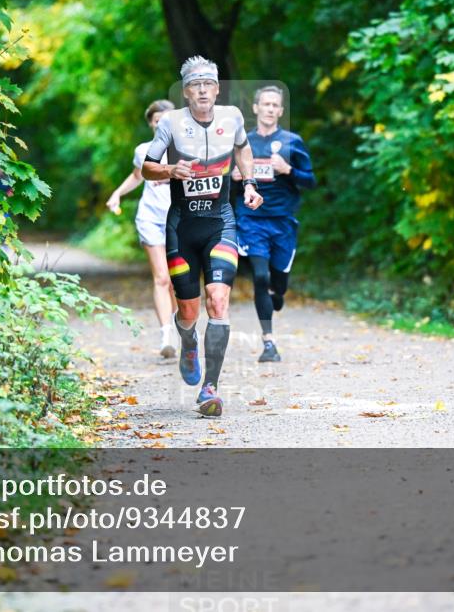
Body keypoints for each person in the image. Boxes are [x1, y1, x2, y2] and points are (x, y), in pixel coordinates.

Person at [141, 56, 263, 417]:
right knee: (189, 311)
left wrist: (250, 182)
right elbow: (146, 167)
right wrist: (168, 168)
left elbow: (242, 146)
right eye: (195, 85)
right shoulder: (171, 123)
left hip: (220, 222)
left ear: (217, 88)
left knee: (218, 300)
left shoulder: (233, 117)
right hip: (182, 226)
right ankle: (188, 341)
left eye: (208, 84)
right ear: (186, 91)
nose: (202, 90)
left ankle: (210, 388)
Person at [233, 85, 316, 362]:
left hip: (283, 221)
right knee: (259, 276)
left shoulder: (293, 142)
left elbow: (311, 181)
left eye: (274, 105)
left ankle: (277, 293)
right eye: (265, 104)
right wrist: (233, 176)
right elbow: (222, 179)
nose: (269, 109)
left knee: (277, 284)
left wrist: (288, 170)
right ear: (255, 108)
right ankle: (269, 343)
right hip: (251, 219)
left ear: (280, 111)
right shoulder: (242, 142)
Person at [105, 100, 178, 358]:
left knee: (179, 280)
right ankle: (166, 335)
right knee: (161, 277)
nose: (161, 124)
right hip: (151, 217)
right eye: (157, 120)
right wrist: (117, 194)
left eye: (166, 119)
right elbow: (137, 176)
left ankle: (183, 325)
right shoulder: (144, 150)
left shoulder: (187, 149)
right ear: (151, 123)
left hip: (180, 220)